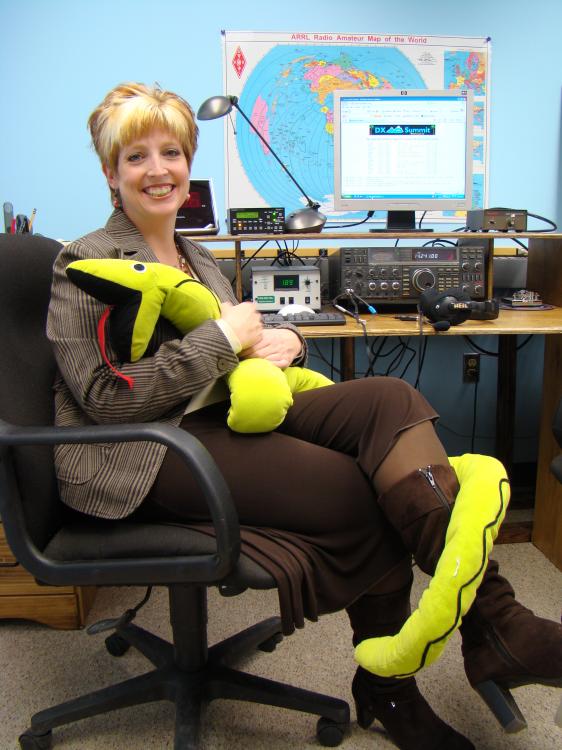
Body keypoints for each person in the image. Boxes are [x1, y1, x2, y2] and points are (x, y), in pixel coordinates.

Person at [47, 82, 561, 750]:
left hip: (224, 416)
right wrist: (224, 339)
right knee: (359, 490)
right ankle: (394, 687)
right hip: (144, 449)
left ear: (188, 163)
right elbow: (103, 397)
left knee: (391, 399)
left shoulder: (197, 257)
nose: (157, 169)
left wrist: (284, 342)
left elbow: (243, 351)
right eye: (135, 156)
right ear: (110, 172)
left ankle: (496, 622)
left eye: (170, 152)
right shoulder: (86, 261)